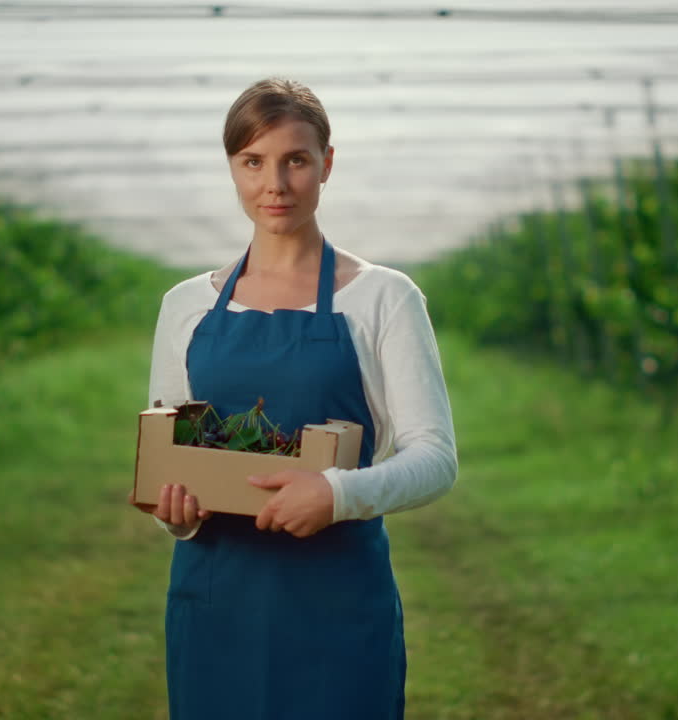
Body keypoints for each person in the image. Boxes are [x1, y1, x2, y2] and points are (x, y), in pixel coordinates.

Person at [133, 76, 457, 720]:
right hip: (216, 598)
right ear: (232, 167)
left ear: (326, 164)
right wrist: (175, 512)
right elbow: (172, 453)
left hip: (336, 598)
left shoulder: (383, 297)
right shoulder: (187, 306)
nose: (274, 185)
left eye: (295, 160)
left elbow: (436, 458)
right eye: (253, 162)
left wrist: (336, 494)